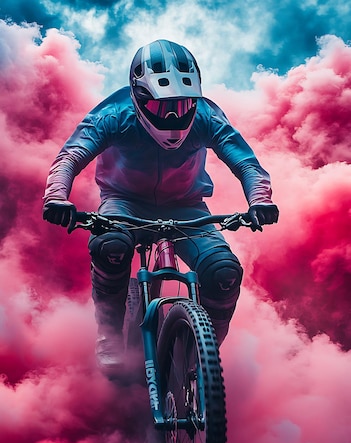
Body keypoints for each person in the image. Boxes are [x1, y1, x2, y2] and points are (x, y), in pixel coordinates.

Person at [43, 39, 278, 375]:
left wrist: (260, 200)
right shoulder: (114, 114)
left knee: (224, 272)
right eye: (161, 107)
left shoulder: (207, 116)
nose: (173, 117)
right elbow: (71, 156)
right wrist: (56, 197)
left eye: (183, 106)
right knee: (109, 246)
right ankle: (109, 334)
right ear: (138, 97)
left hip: (188, 207)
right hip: (124, 203)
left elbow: (246, 164)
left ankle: (200, 358)